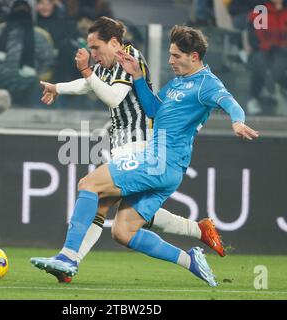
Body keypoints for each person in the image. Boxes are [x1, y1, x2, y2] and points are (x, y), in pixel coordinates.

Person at [31, 24, 259, 287]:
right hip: (167, 167)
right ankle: (191, 260)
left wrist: (237, 122)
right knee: (123, 231)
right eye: (170, 54)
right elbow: (153, 110)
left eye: (176, 56)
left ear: (194, 56)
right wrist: (138, 77)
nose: (170, 60)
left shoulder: (207, 84)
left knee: (89, 185)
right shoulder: (177, 84)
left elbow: (230, 102)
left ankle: (68, 258)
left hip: (158, 160)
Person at [0, 0, 56, 106]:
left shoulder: (40, 35)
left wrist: (38, 79)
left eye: (24, 10)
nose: (21, 12)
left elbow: (48, 61)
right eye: (18, 9)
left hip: (30, 87)